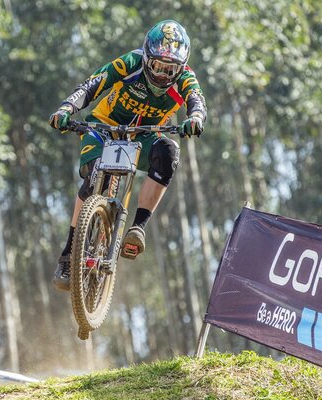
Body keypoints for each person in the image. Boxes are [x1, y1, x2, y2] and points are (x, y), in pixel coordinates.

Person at [49, 20, 207, 291]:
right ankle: (68, 254)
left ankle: (137, 228)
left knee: (169, 150)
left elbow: (197, 100)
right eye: (157, 66)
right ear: (146, 57)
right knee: (92, 177)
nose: (161, 75)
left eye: (169, 70)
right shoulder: (130, 62)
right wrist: (66, 108)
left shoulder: (186, 78)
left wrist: (195, 117)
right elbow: (92, 85)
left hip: (146, 135)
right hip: (103, 128)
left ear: (180, 68)